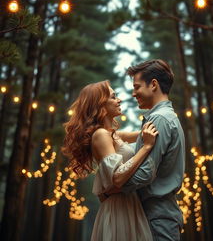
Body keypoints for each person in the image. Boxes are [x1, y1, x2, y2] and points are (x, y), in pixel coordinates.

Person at [61, 80, 158, 241]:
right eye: (113, 97)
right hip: (119, 209)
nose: (119, 100)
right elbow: (118, 177)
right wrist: (146, 147)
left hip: (128, 204)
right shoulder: (100, 135)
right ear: (100, 105)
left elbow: (140, 134)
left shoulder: (112, 134)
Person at [120, 59, 186, 241]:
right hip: (156, 215)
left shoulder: (160, 120)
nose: (134, 93)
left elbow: (145, 173)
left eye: (137, 87)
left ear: (154, 85)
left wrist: (113, 187)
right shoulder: (163, 118)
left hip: (158, 217)